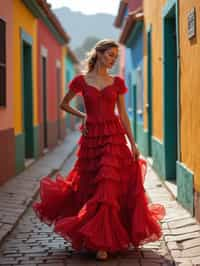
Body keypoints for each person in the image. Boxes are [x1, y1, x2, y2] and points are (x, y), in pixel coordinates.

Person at [32, 39, 165, 261]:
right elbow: (64, 104)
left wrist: (133, 143)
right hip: (92, 139)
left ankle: (103, 243)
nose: (113, 59)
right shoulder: (81, 81)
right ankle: (95, 235)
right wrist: (83, 116)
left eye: (115, 56)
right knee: (91, 187)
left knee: (108, 187)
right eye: (110, 54)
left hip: (113, 138)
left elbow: (123, 115)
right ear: (99, 53)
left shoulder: (117, 83)